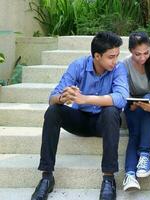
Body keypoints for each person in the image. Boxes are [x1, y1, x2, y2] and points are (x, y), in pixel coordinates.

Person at [31, 32, 129, 200]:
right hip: (80, 120)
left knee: (112, 110)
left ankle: (108, 178)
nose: (115, 60)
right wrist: (64, 97)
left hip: (103, 123)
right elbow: (52, 98)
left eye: (117, 56)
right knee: (53, 111)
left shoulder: (119, 68)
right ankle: (47, 177)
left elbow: (121, 98)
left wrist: (85, 99)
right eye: (111, 57)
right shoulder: (78, 65)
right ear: (97, 56)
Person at [121, 32, 150, 191]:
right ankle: (132, 173)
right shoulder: (124, 64)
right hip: (131, 104)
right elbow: (123, 91)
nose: (142, 58)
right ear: (130, 51)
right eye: (137, 54)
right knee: (134, 134)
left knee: (149, 96)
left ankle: (139, 161)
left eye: (146, 52)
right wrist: (132, 104)